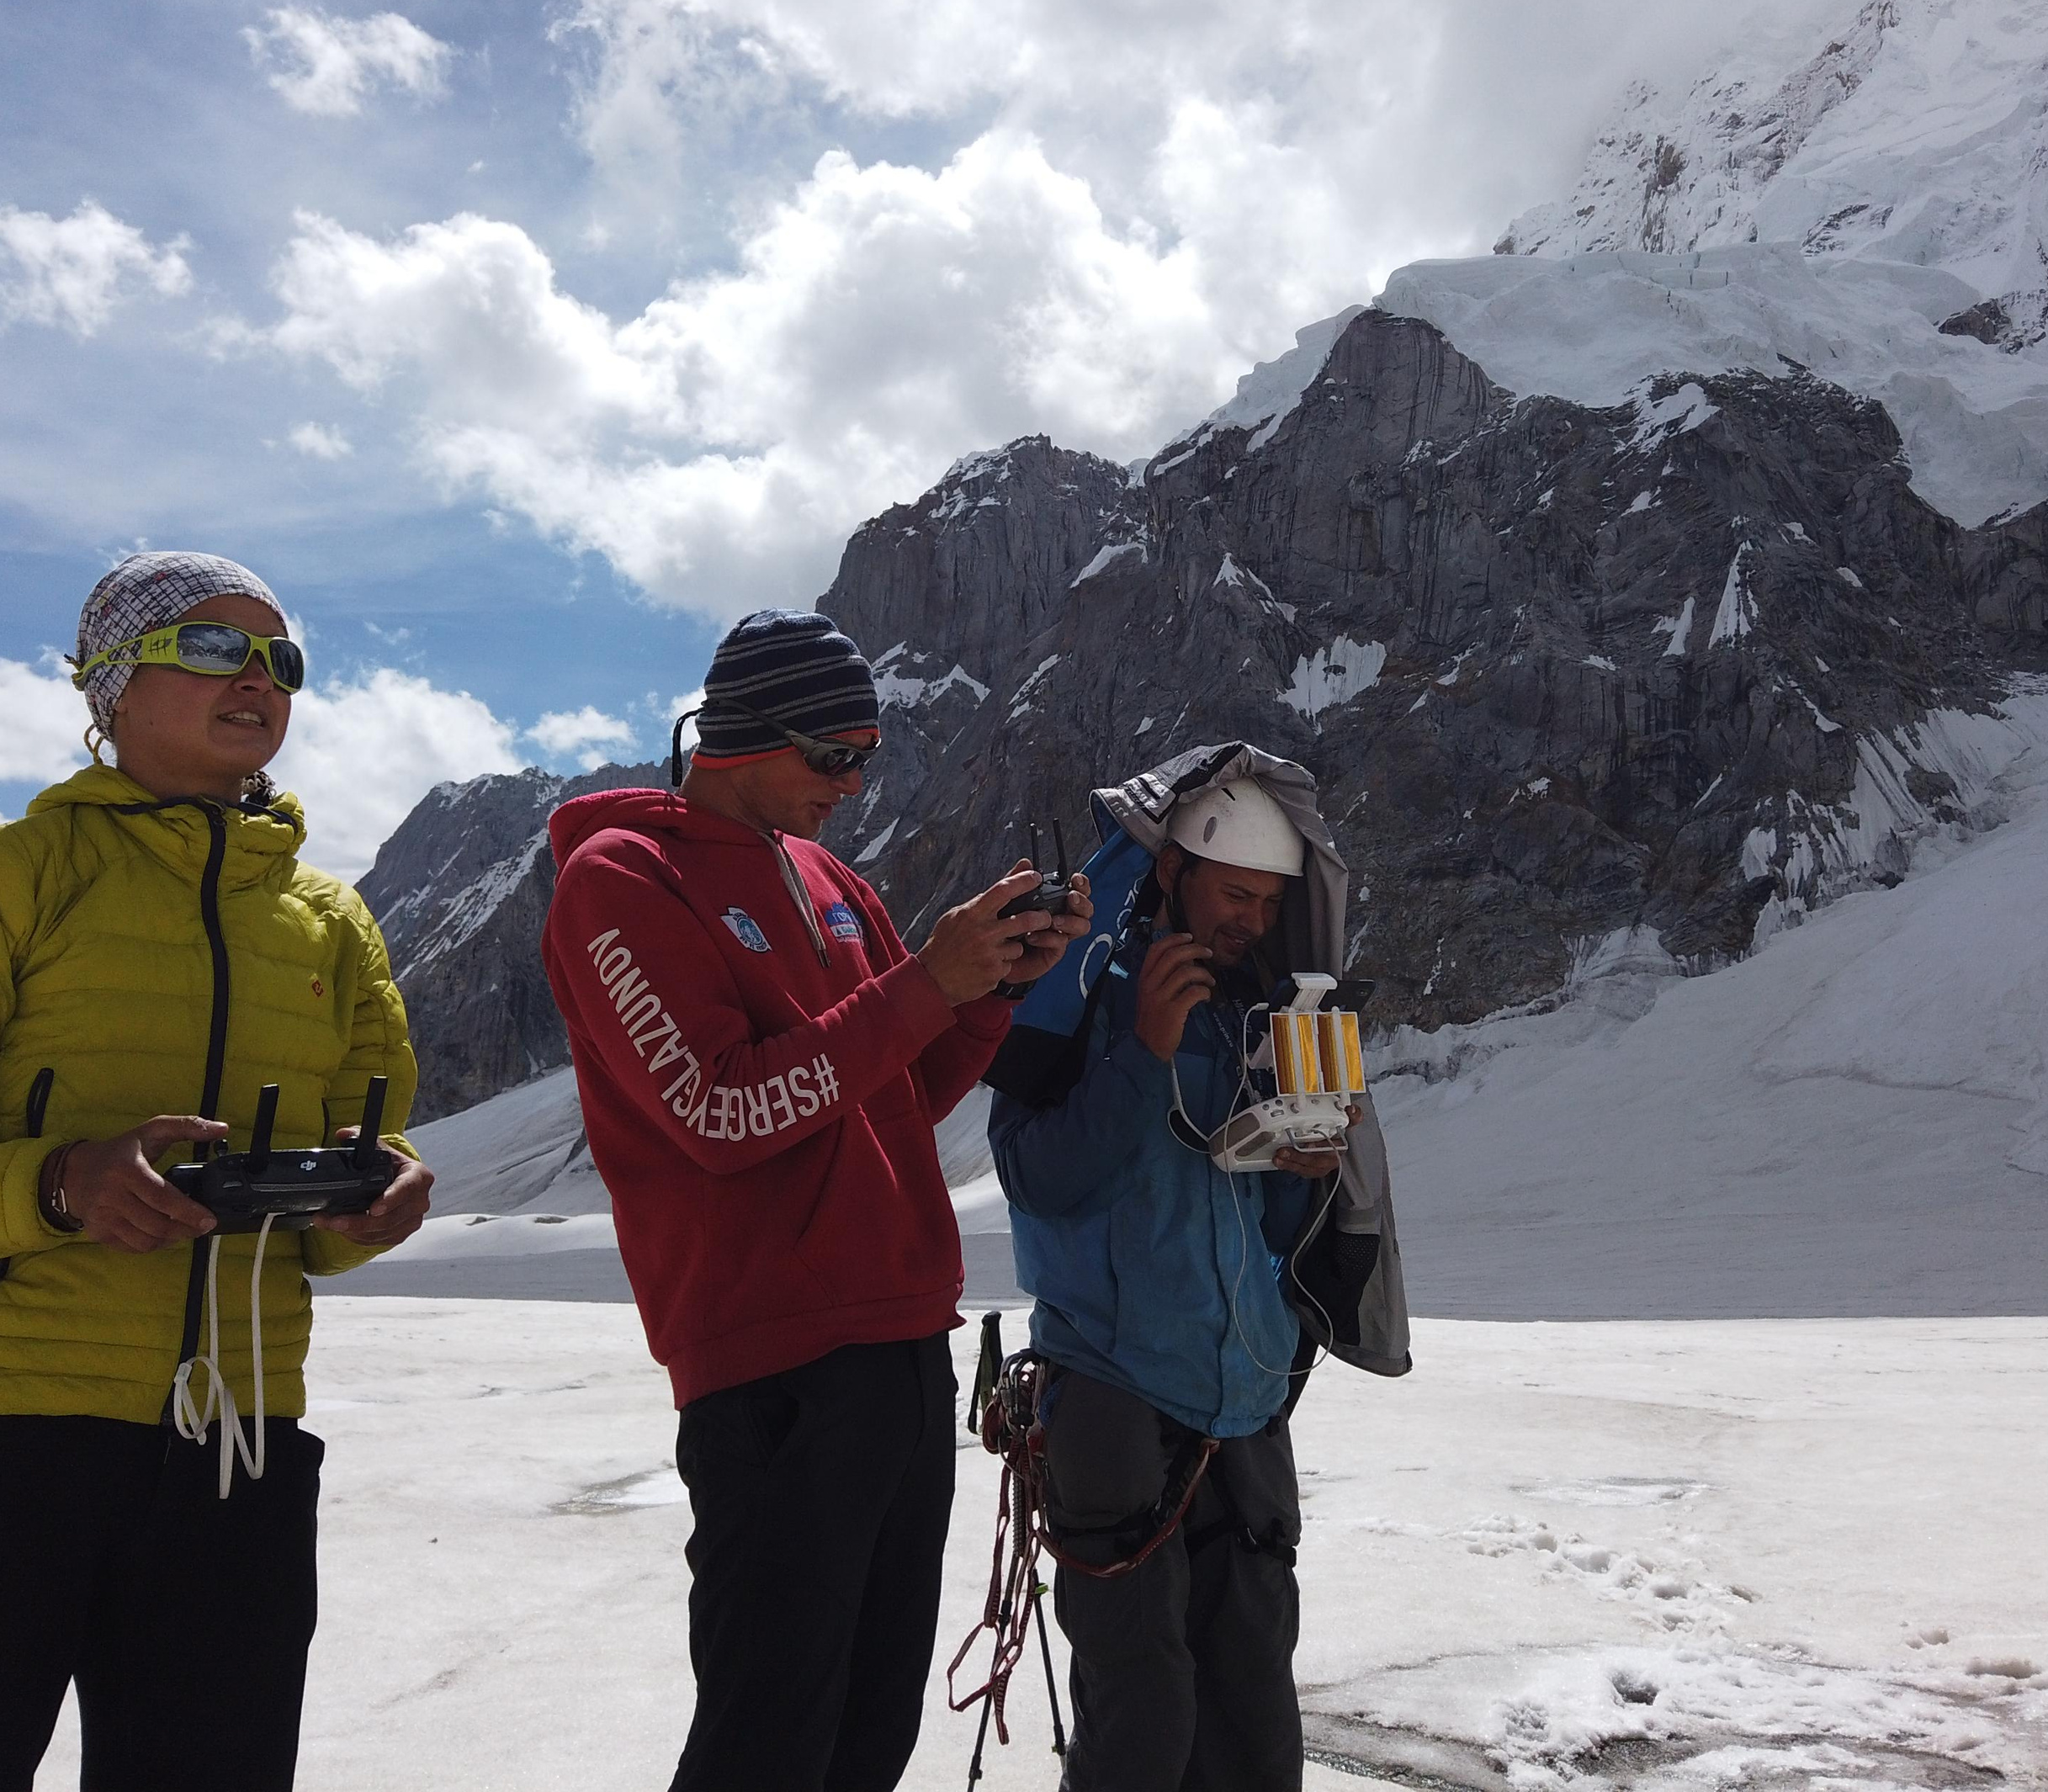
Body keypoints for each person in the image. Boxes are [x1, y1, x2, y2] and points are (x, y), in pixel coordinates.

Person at [540, 607, 1092, 1792]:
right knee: (769, 1734)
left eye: (867, 756)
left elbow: (897, 1094)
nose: (853, 782)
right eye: (832, 754)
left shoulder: (829, 879)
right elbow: (719, 1113)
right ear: (737, 733)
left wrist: (987, 991)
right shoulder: (622, 877)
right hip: (771, 1362)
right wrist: (927, 982)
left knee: (867, 1730)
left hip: (899, 1344)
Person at [0, 550, 434, 1792]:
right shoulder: (23, 878)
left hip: (236, 1444)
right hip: (18, 1428)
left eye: (278, 660)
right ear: (110, 680)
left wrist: (369, 1199)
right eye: (209, 647)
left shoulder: (330, 922)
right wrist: (58, 1182)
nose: (255, 678)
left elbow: (363, 1141)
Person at [990, 766, 1403, 1792]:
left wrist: (1304, 1173)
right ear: (1172, 870)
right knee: (1142, 1722)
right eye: (1234, 896)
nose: (1252, 923)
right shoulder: (1081, 991)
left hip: (1246, 1401)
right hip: (1112, 1393)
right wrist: (1141, 1055)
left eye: (1268, 904)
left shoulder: (1249, 1013)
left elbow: (1253, 1224)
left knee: (1254, 1721)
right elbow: (1039, 1179)